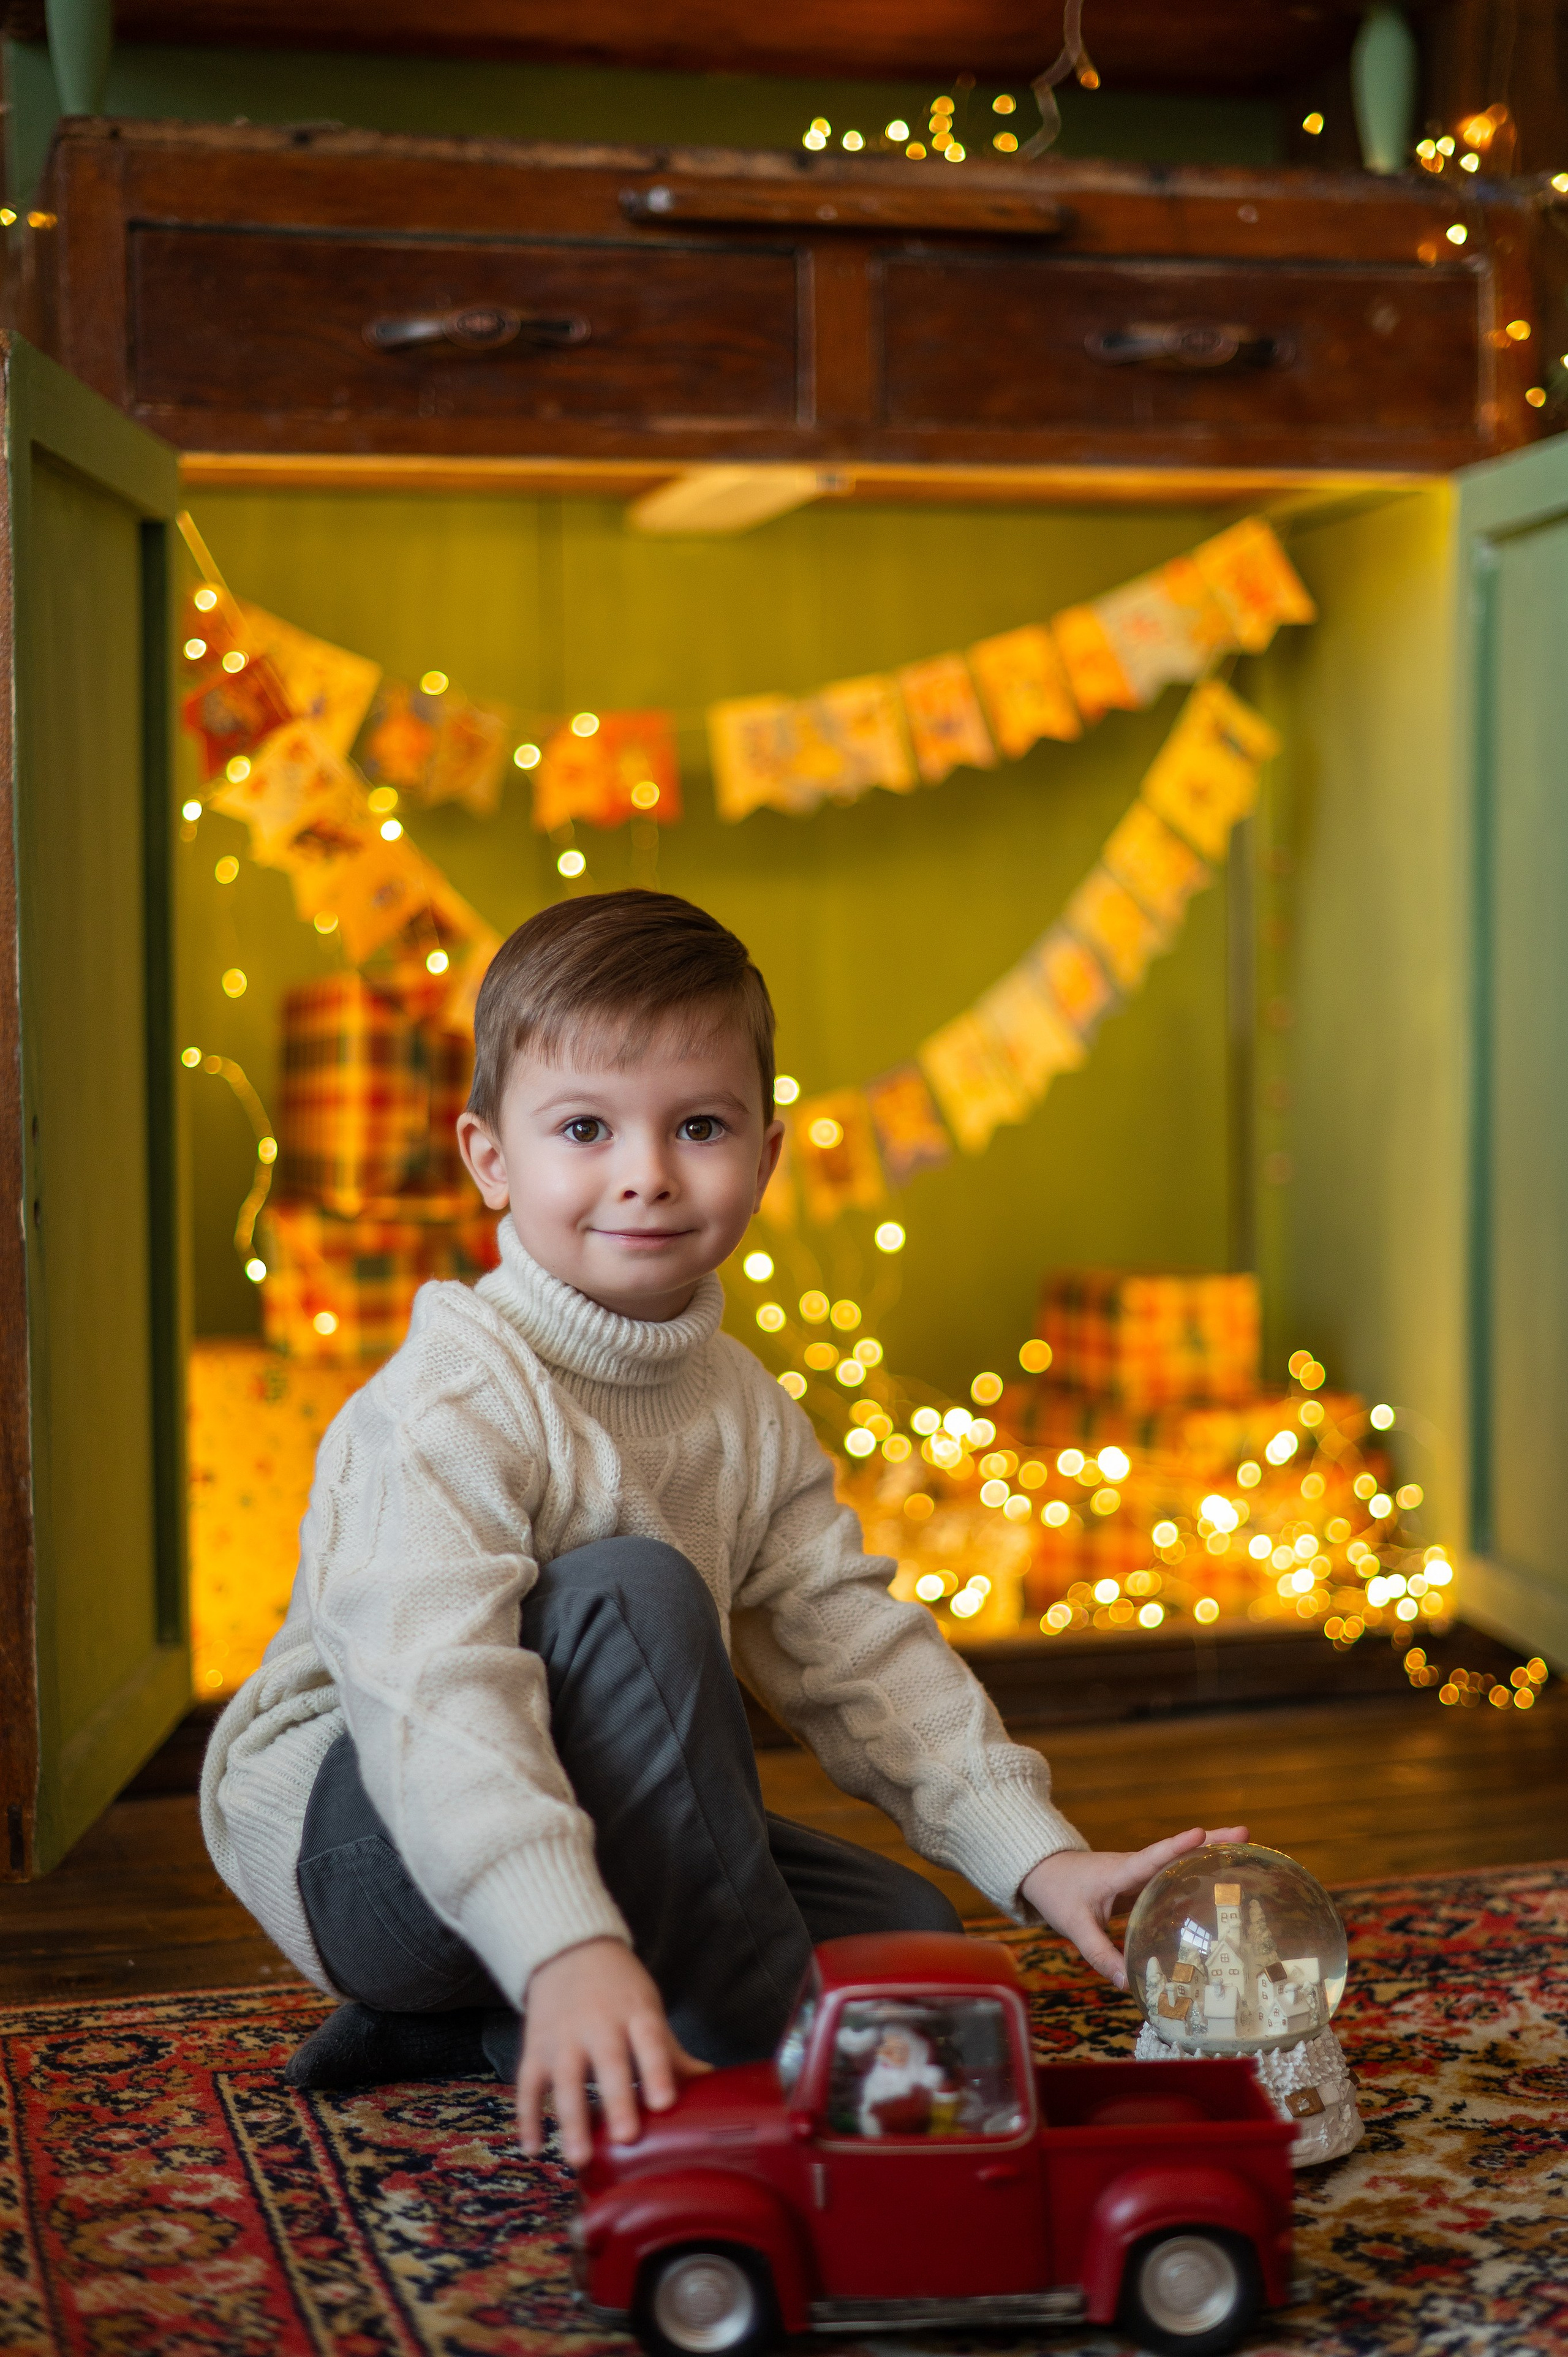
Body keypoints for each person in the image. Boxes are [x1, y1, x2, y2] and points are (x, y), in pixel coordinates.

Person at [202, 889, 1245, 2169]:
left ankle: (484, 2020)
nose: (644, 1170)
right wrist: (571, 1942)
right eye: (583, 1127)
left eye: (697, 1125)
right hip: (363, 1838)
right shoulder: (448, 1398)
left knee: (911, 1935)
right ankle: (647, 2032)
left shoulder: (738, 1406)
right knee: (632, 1596)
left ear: (764, 1150)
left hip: (561, 1808)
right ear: (489, 1157)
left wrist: (1041, 1861)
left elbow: (849, 1641)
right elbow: (437, 1705)